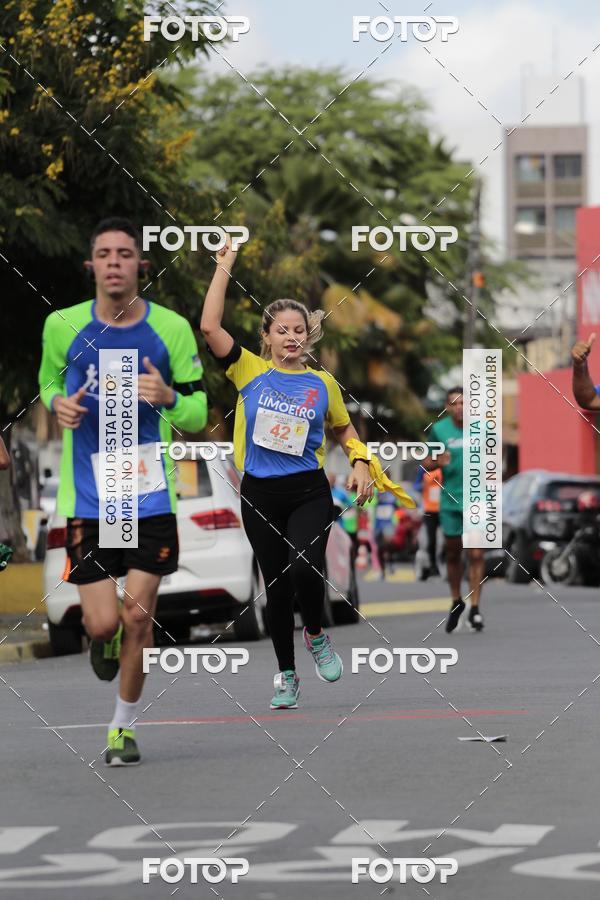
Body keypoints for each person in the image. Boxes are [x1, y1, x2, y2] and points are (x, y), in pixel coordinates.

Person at [201, 239, 415, 709]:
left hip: (308, 492)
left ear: (308, 336)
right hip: (259, 494)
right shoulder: (249, 372)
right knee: (274, 586)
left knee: (304, 566)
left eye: (299, 329)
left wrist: (361, 461)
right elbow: (209, 326)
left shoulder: (322, 384)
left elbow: (344, 429)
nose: (292, 336)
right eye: (282, 330)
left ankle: (316, 633)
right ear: (268, 337)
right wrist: (224, 267)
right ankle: (286, 675)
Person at [38, 217, 208, 765]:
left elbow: (200, 411)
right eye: (104, 253)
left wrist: (167, 398)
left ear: (141, 265)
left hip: (148, 493)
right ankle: (101, 639)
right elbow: (46, 380)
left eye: (124, 253)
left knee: (138, 615)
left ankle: (122, 729)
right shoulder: (61, 325)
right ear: (92, 265)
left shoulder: (174, 329)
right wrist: (54, 403)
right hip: (89, 497)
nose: (114, 262)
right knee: (104, 621)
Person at [426, 388, 484, 633]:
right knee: (452, 554)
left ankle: (475, 608)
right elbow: (427, 462)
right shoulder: (439, 430)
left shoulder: (482, 428)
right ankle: (456, 600)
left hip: (476, 500)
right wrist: (437, 461)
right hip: (450, 501)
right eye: (454, 404)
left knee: (476, 554)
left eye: (464, 403)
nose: (459, 407)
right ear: (448, 407)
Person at [421, 465, 442, 577]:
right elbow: (417, 486)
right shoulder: (423, 473)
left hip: (443, 510)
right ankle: (433, 566)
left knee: (447, 539)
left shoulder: (442, 470)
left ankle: (445, 563)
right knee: (431, 540)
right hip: (429, 510)